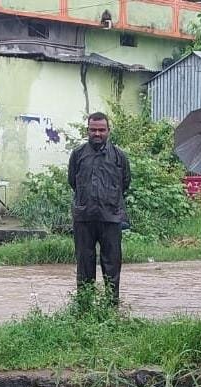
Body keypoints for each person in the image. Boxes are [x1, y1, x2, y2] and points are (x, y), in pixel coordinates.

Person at [68, 111, 131, 305]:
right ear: (87, 130)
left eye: (101, 130)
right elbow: (72, 181)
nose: (97, 133)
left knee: (112, 264)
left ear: (108, 131)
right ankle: (85, 306)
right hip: (84, 217)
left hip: (111, 217)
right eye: (93, 130)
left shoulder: (119, 156)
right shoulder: (78, 154)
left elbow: (125, 183)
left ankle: (111, 306)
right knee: (84, 263)